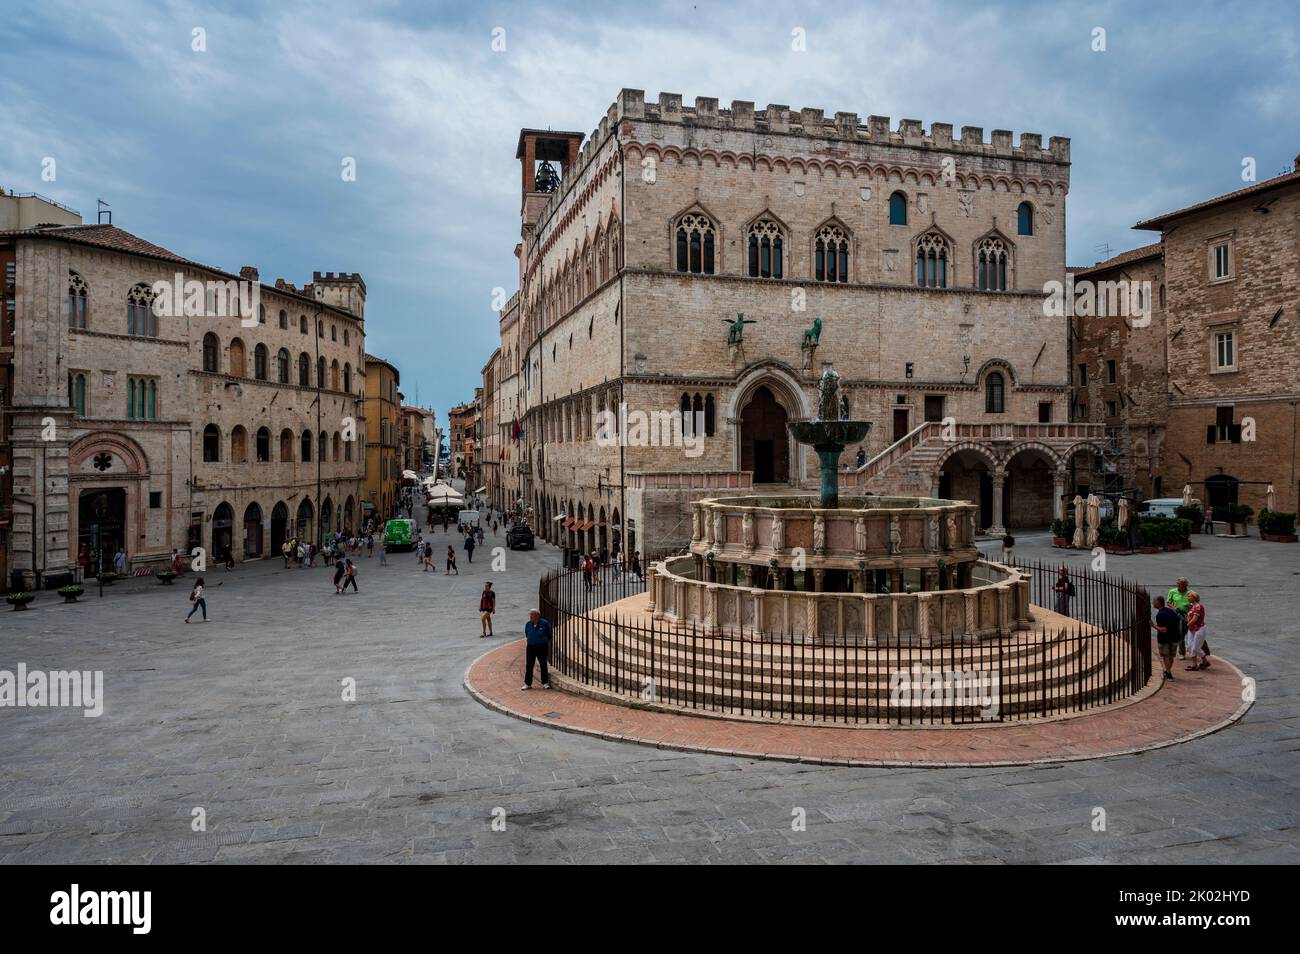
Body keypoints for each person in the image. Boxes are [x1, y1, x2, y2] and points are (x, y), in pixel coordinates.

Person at [1151, 595, 1181, 680]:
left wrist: (1153, 625)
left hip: (1164, 638)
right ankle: (1167, 671)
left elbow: (1163, 630)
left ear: (1158, 603)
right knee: (1171, 656)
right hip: (1175, 636)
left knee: (1166, 656)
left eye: (1154, 602)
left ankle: (1168, 673)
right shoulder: (1171, 611)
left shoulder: (1160, 615)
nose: (1152, 603)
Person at [522, 608, 552, 689]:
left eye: (532, 614)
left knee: (543, 664)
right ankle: (527, 684)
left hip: (542, 647)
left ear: (538, 615)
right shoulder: (528, 624)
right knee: (529, 665)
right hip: (531, 647)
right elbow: (527, 634)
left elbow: (549, 635)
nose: (530, 616)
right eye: (530, 614)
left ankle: (545, 683)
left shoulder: (545, 623)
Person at [1185, 591, 1210, 671]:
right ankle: (1203, 663)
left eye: (1189, 596)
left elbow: (1195, 619)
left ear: (1194, 597)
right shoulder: (1192, 606)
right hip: (1192, 629)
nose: (1188, 598)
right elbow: (1189, 617)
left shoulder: (1198, 606)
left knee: (1195, 648)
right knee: (1189, 647)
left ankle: (1195, 665)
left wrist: (1187, 624)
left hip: (1199, 629)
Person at [1168, 578, 1192, 658]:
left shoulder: (1190, 593)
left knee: (1194, 632)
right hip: (1178, 615)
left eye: (1180, 584)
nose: (1178, 586)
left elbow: (1195, 602)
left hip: (1189, 615)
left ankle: (1204, 650)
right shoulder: (1172, 591)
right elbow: (1168, 602)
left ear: (1185, 585)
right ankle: (1182, 653)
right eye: (1177, 584)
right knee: (1180, 633)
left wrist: (1189, 605)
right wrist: (1174, 608)